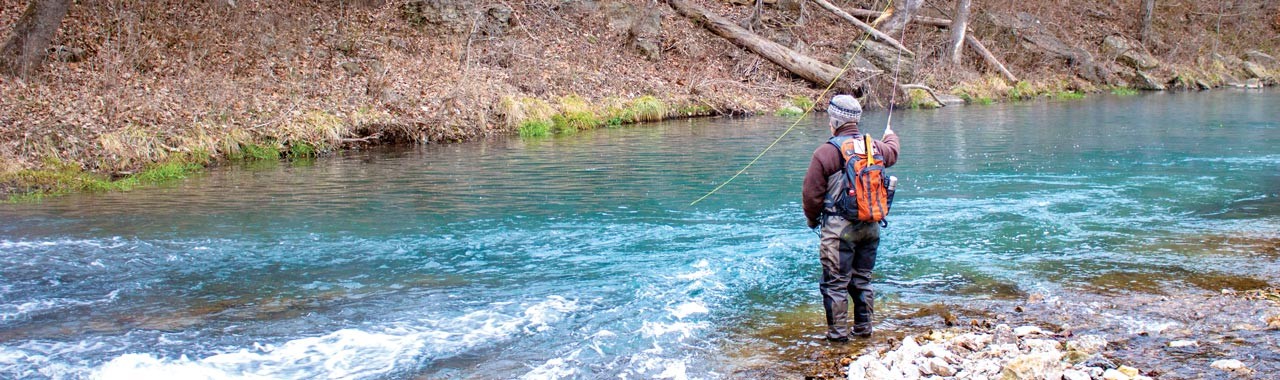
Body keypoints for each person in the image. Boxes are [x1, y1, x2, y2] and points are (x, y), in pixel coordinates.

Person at [801, 94, 899, 341]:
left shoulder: (826, 153)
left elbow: (811, 195)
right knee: (862, 280)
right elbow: (893, 152)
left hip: (839, 232)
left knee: (835, 285)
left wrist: (813, 221)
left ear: (834, 121)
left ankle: (837, 338)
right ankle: (864, 332)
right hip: (871, 226)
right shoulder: (875, 147)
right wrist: (890, 135)